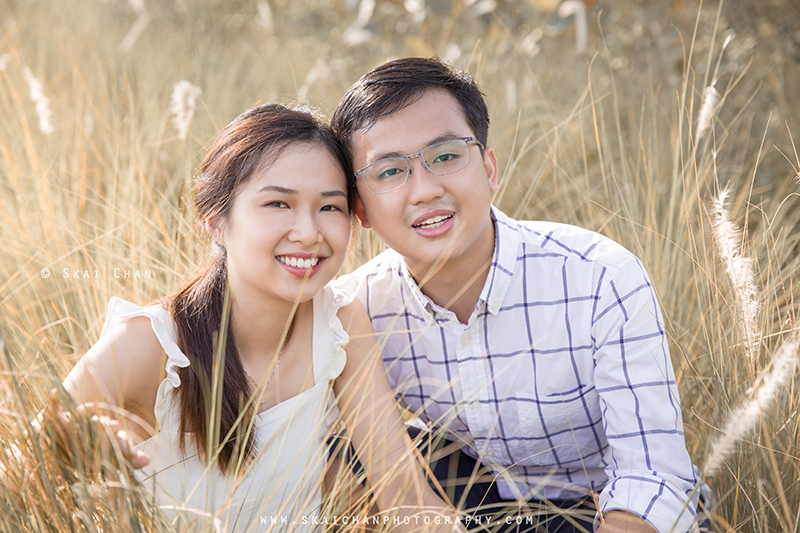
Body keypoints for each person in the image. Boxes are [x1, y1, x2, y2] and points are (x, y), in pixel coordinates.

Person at [330, 58, 705, 533]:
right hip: (476, 501)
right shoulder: (356, 309)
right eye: (389, 172)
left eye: (445, 156)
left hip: (603, 510)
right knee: (336, 457)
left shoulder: (599, 279)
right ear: (361, 208)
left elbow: (652, 476)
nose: (424, 190)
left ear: (488, 169)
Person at [51, 104, 462, 532]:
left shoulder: (339, 321)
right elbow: (29, 459)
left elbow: (407, 496)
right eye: (278, 203)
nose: (307, 232)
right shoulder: (152, 343)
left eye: (329, 207)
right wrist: (77, 445)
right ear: (216, 223)